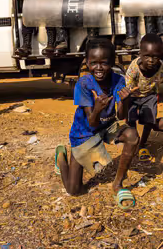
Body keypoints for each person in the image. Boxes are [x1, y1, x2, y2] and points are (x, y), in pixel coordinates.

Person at [54, 39, 139, 209]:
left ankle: (117, 184)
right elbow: (91, 123)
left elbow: (121, 116)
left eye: (104, 63)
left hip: (107, 126)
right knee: (74, 190)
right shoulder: (84, 84)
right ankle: (61, 158)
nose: (99, 68)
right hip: (84, 132)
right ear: (86, 62)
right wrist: (98, 108)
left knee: (132, 136)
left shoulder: (118, 80)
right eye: (94, 63)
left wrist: (125, 101)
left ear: (112, 62)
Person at [125, 34, 163, 160]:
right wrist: (131, 94)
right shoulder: (134, 67)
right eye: (147, 56)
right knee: (131, 118)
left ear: (160, 55)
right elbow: (128, 84)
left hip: (150, 95)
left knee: (149, 119)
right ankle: (133, 141)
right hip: (133, 95)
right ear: (140, 53)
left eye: (155, 56)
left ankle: (142, 144)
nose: (150, 60)